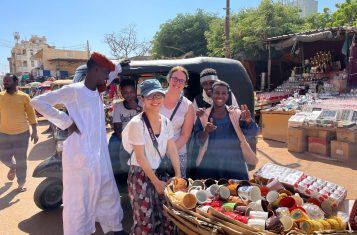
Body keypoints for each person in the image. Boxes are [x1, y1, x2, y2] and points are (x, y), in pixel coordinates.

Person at [31, 52, 126, 235]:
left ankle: (115, 228)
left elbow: (114, 71)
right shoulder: (74, 90)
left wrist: (118, 64)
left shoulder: (97, 90)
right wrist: (66, 122)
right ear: (95, 69)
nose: (108, 76)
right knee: (78, 199)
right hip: (80, 155)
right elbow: (38, 102)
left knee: (108, 192)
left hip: (100, 153)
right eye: (105, 72)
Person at [122, 79, 181, 234]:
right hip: (141, 174)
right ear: (142, 99)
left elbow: (172, 148)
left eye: (158, 96)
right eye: (150, 97)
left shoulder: (167, 122)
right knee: (145, 220)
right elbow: (140, 157)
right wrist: (156, 183)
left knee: (168, 216)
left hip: (160, 172)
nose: (155, 100)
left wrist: (179, 175)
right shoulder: (137, 124)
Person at [194, 81, 259, 180]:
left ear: (228, 96)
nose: (220, 96)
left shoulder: (236, 114)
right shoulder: (203, 116)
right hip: (210, 165)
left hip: (235, 165)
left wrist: (248, 121)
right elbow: (198, 140)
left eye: (223, 93)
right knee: (210, 192)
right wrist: (206, 131)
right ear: (211, 94)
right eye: (217, 93)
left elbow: (252, 133)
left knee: (236, 191)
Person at [0, 73, 38, 192]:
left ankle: (21, 183)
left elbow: (32, 115)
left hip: (22, 134)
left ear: (16, 83)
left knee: (21, 159)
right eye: (4, 81)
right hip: (4, 134)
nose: (5, 83)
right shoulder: (0, 96)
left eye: (8, 81)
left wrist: (35, 132)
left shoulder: (25, 97)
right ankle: (13, 166)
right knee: (3, 156)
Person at [160, 66, 194, 177]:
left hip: (178, 153)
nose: (177, 82)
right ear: (169, 79)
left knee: (177, 189)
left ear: (185, 84)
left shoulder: (188, 106)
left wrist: (170, 152)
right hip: (155, 152)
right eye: (175, 78)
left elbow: (185, 135)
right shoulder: (156, 98)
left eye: (181, 81)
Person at [109, 78, 142, 176]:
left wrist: (137, 107)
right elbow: (117, 128)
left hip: (141, 133)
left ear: (136, 92)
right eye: (125, 93)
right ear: (121, 93)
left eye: (131, 92)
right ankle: (117, 174)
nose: (129, 95)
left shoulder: (142, 102)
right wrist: (127, 142)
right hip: (124, 135)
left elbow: (149, 117)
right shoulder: (118, 106)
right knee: (113, 144)